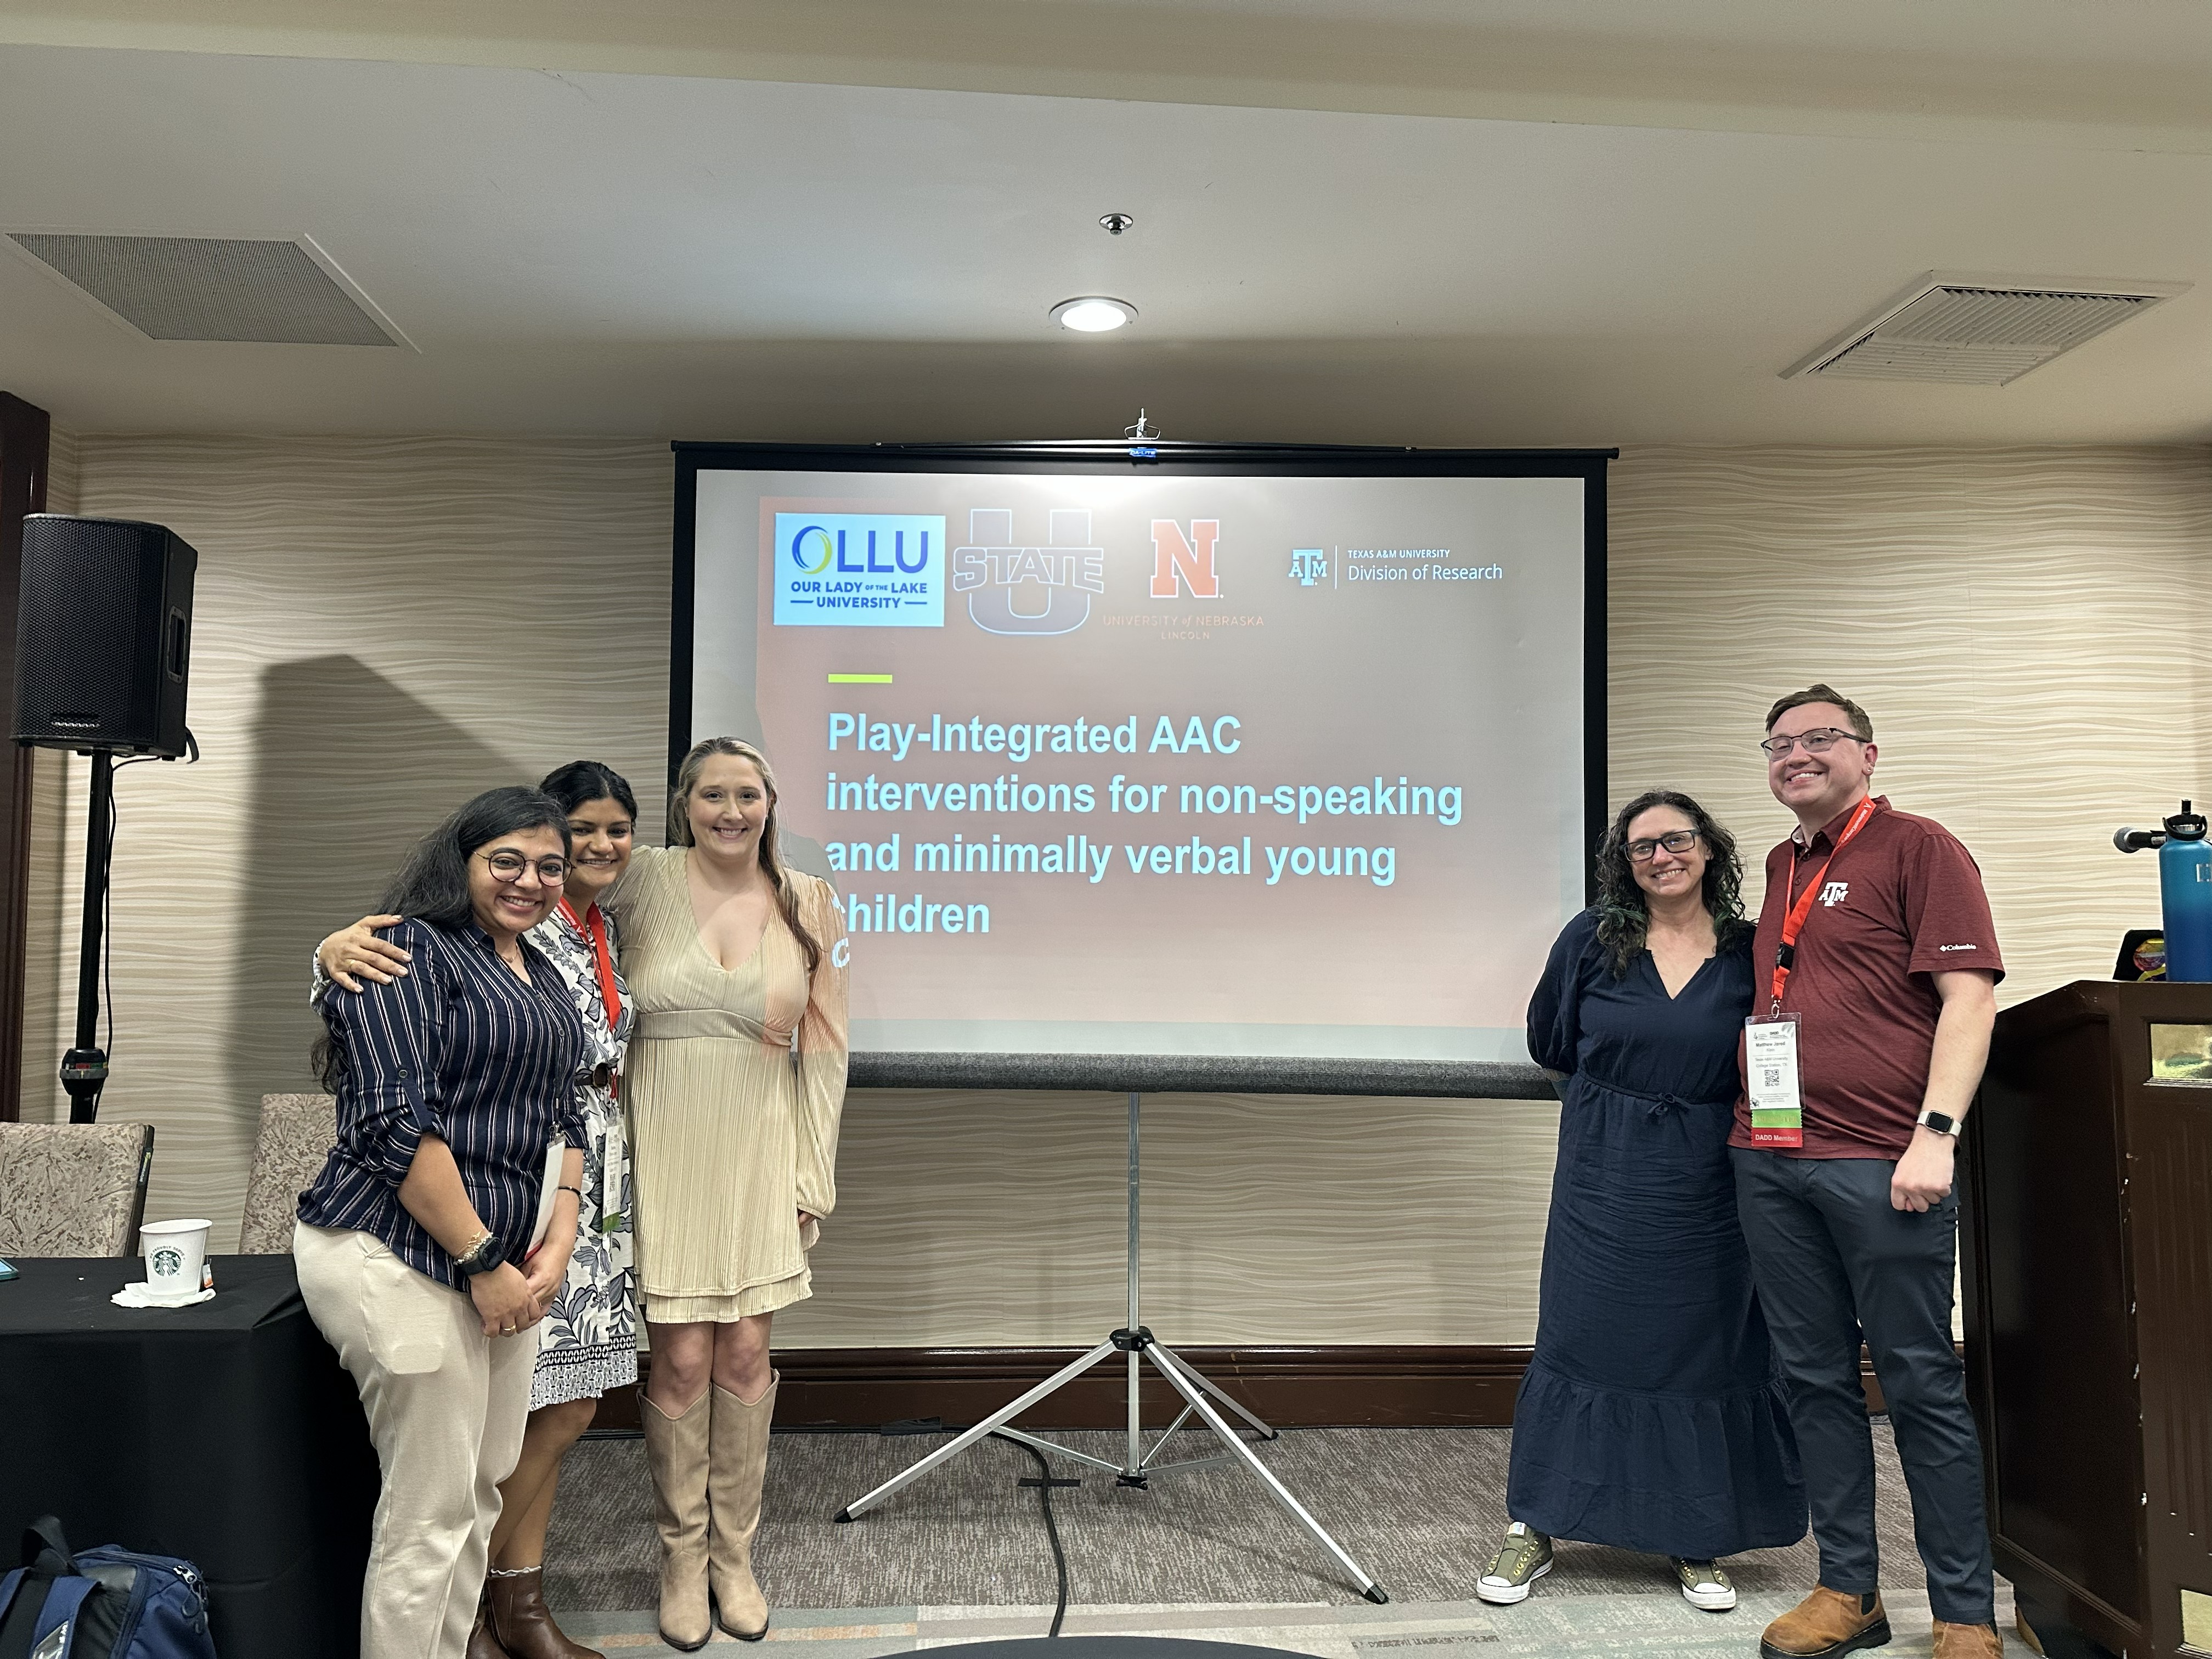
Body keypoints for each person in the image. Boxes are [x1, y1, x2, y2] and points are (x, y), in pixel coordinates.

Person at [319, 761, 642, 1659]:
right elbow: (391, 1124)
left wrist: (562, 1227)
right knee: (430, 1512)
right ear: (462, 859)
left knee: (485, 1484)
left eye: (548, 866)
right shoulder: (408, 949)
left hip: (512, 1257)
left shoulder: (538, 969)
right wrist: (483, 1262)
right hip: (404, 1253)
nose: (532, 881)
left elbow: (565, 1106)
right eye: (509, 860)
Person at [1482, 791, 1805, 1611]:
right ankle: (1536, 1525)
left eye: (1677, 839)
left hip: (1711, 1175)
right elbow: (1550, 1041)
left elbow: (1775, 1051)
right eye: (1641, 848)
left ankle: (1694, 1536)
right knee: (1581, 1335)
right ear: (1623, 866)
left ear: (1710, 848)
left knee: (1703, 1346)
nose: (1662, 857)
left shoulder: (1750, 947)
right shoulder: (1592, 939)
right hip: (1604, 1166)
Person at [1733, 686, 2002, 1659]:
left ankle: (1965, 1612)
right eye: (1778, 745)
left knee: (1921, 1383)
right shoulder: (1779, 864)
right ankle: (1849, 1591)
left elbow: (1968, 1001)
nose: (1795, 756)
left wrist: (1936, 1133)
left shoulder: (1919, 846)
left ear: (1868, 755)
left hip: (1885, 1164)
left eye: (1817, 740)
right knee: (1810, 1381)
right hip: (1770, 1160)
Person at [605, 736, 847, 1652]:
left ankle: (733, 1560)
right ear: (684, 804)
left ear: (772, 803)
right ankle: (680, 1556)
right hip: (659, 1142)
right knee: (678, 1363)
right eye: (713, 794)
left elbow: (824, 1052)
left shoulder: (811, 902)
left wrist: (809, 1178)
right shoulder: (640, 881)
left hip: (760, 1149)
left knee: (746, 1357)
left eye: (748, 794)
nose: (731, 811)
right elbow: (519, 907)